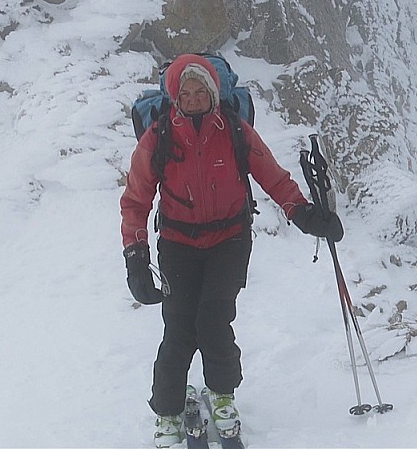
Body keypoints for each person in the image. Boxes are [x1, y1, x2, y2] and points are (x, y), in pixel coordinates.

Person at [120, 54, 343, 448]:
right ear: (174, 98)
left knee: (213, 320)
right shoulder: (158, 136)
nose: (193, 98)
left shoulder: (236, 130)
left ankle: (222, 395)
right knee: (179, 329)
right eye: (185, 93)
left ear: (213, 92)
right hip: (178, 244)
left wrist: (304, 214)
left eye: (200, 91)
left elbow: (274, 177)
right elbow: (136, 200)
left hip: (230, 241)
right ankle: (168, 412)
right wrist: (136, 257)